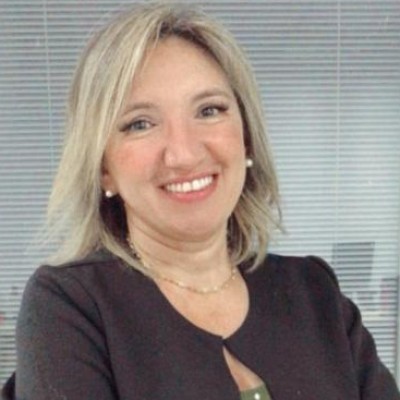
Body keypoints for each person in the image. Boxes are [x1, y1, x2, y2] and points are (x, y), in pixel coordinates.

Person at [2, 3, 400, 400]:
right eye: (140, 123)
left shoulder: (315, 294)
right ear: (103, 168)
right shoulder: (70, 307)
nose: (184, 154)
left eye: (209, 110)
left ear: (246, 138)